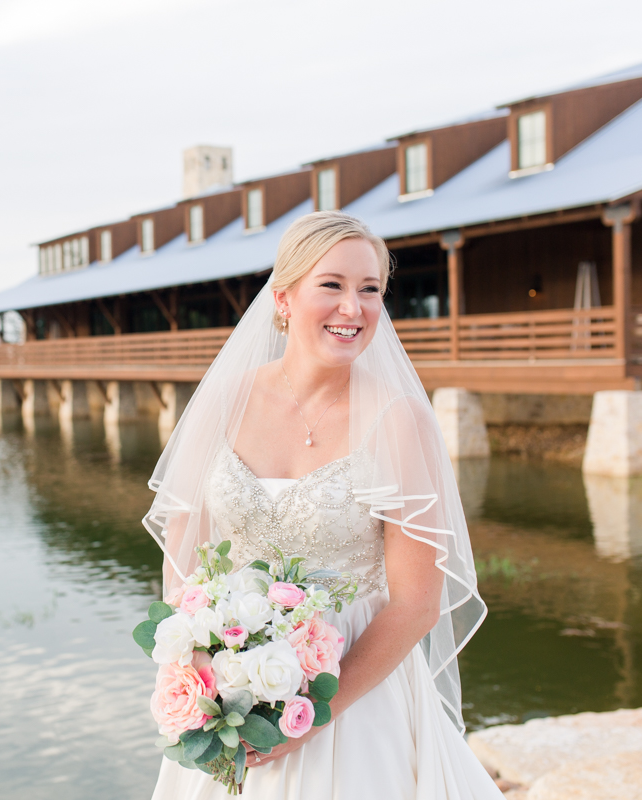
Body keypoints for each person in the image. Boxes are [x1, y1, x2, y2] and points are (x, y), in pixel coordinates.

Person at [144, 212, 503, 799]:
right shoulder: (223, 402)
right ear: (283, 298)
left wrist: (316, 712)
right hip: (234, 677)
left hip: (360, 689)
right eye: (332, 286)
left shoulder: (398, 418)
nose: (353, 308)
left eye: (370, 290)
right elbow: (181, 567)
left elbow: (416, 603)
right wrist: (200, 667)